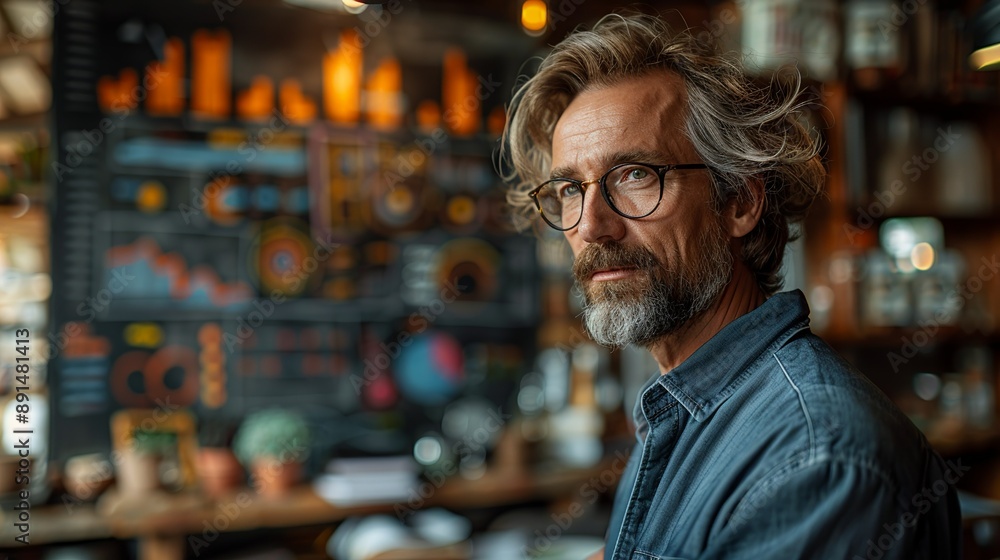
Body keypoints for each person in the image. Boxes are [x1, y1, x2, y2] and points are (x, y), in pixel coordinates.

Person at [501, 12, 962, 560]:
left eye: (635, 175)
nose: (591, 225)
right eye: (570, 189)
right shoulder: (683, 410)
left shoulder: (814, 456)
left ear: (739, 201)